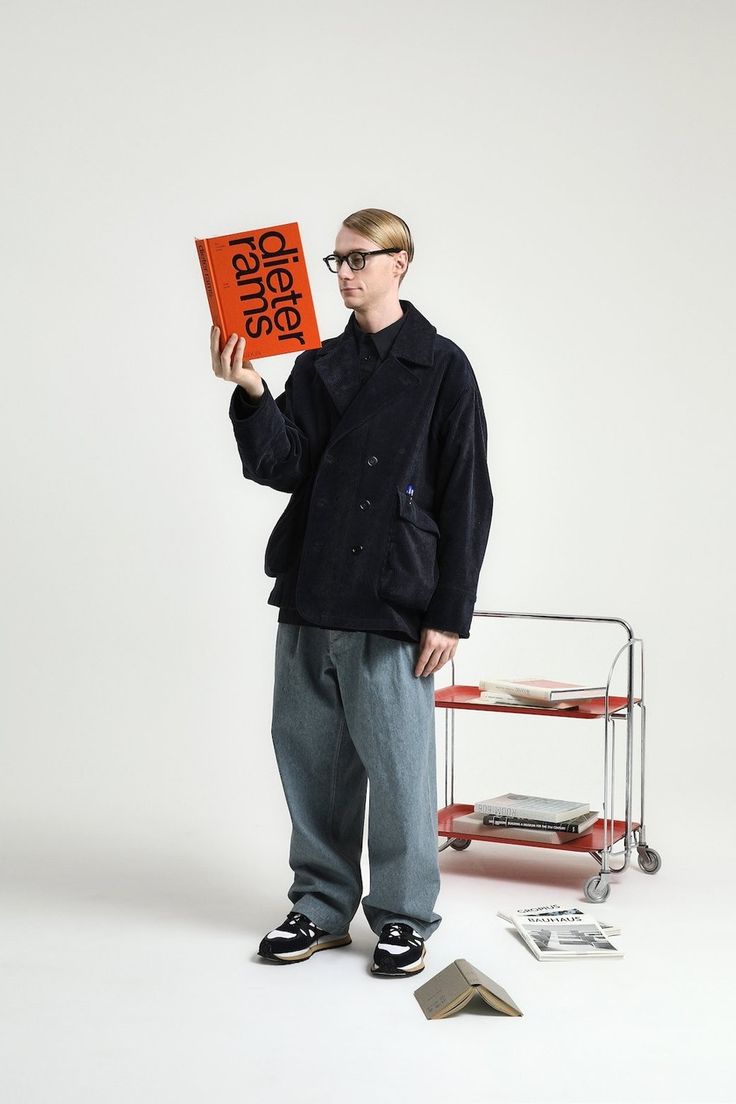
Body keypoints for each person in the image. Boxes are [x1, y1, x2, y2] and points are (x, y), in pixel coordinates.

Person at [211, 208, 493, 977]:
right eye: (335, 260)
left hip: (393, 592)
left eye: (357, 259)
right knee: (309, 755)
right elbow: (285, 467)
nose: (342, 272)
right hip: (312, 585)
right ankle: (321, 905)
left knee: (399, 765)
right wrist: (251, 391)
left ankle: (403, 917)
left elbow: (468, 494)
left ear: (401, 263)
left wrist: (449, 613)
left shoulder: (440, 366)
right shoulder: (317, 365)